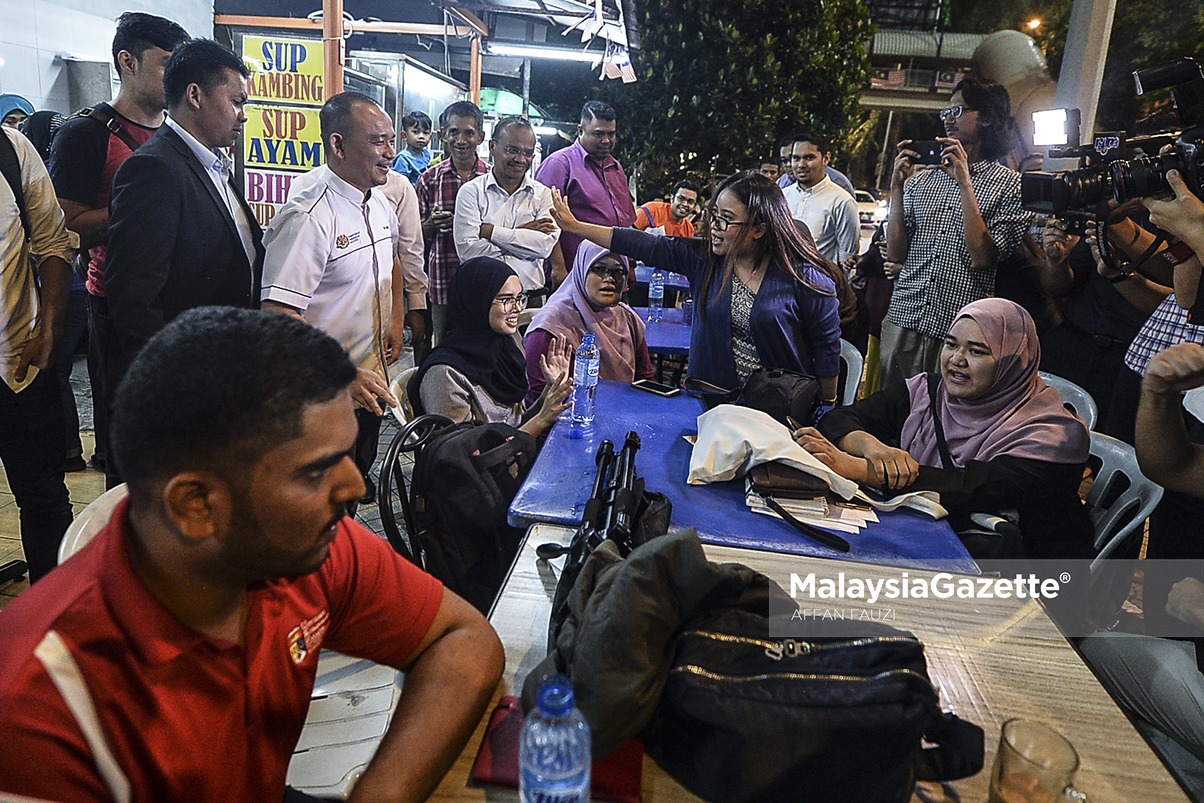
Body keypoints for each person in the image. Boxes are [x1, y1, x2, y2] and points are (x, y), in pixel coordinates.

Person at [0, 307, 504, 800]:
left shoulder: (300, 546)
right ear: (195, 505)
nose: (354, 487)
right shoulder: (40, 710)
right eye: (314, 471)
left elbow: (463, 640)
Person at [795, 298, 1093, 559]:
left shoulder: (1052, 436)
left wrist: (859, 469)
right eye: (951, 345)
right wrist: (874, 449)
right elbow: (840, 418)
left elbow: (968, 487)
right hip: (934, 541)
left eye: (976, 352)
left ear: (1012, 364)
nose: (956, 360)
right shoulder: (928, 392)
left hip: (1027, 577)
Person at [105, 38, 263, 485]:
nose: (243, 114)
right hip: (183, 386)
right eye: (236, 101)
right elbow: (134, 294)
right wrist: (171, 388)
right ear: (195, 95)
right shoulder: (154, 169)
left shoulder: (214, 165)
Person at [551, 170, 845, 403]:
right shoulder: (703, 260)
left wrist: (825, 407)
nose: (714, 226)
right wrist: (577, 227)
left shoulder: (805, 279)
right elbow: (641, 244)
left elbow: (826, 349)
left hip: (778, 410)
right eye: (714, 214)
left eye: (726, 220)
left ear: (759, 228)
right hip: (710, 401)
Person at [50, 11, 190, 474]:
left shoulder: (178, 134)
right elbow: (64, 228)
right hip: (117, 306)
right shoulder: (84, 134)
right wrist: (140, 207)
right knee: (128, 441)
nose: (178, 76)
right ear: (127, 62)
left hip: (179, 300)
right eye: (167, 63)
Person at [260, 92, 405, 502]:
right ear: (337, 145)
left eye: (391, 140)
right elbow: (277, 313)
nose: (390, 152)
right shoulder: (309, 216)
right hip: (322, 396)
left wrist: (395, 322)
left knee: (351, 495)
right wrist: (342, 371)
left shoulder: (379, 205)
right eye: (378, 141)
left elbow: (391, 262)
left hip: (368, 390)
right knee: (316, 505)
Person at [882, 75, 1029, 386]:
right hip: (905, 316)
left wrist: (965, 183)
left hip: (959, 331)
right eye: (945, 113)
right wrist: (896, 185)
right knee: (890, 413)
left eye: (958, 111)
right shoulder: (922, 180)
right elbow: (896, 253)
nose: (948, 119)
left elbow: (983, 259)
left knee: (946, 420)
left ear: (988, 117)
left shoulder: (1012, 186)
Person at [0, 124, 74, 582]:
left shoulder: (11, 148)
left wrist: (50, 327)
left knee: (44, 495)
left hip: (18, 360)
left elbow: (52, 240)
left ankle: (57, 611)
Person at [409, 256, 570, 438]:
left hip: (514, 457)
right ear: (477, 301)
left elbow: (515, 424)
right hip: (484, 465)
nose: (517, 308)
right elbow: (464, 457)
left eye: (519, 298)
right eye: (506, 300)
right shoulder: (444, 374)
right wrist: (541, 420)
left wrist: (551, 392)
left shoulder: (505, 346)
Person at [523, 240, 654, 405]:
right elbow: (540, 404)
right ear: (582, 269)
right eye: (599, 269)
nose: (609, 278)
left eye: (618, 271)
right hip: (565, 422)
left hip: (623, 415)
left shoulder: (628, 318)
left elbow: (646, 379)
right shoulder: (550, 328)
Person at [453, 116, 558, 295]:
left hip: (531, 297)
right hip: (482, 298)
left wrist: (491, 232)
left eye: (528, 153)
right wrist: (522, 233)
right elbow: (469, 252)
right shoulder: (471, 192)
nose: (520, 159)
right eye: (513, 150)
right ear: (493, 146)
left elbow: (544, 247)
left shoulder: (544, 195)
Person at [535, 100, 637, 286]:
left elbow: (624, 222)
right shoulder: (559, 164)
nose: (606, 140)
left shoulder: (616, 168)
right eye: (598, 134)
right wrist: (558, 268)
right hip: (575, 274)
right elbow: (547, 223)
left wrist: (629, 265)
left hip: (613, 275)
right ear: (580, 130)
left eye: (611, 134)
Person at [416, 101, 488, 345]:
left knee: (483, 343)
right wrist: (433, 224)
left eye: (469, 132)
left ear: (481, 136)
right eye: (454, 132)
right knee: (444, 344)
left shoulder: (492, 179)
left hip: (483, 281)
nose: (461, 140)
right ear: (442, 135)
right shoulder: (429, 179)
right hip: (443, 278)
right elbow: (416, 235)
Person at [781, 130, 859, 265]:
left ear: (826, 158)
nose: (801, 165)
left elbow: (847, 258)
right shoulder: (782, 196)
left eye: (809, 158)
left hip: (819, 283)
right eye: (796, 158)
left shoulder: (842, 201)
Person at [634, 179, 701, 237]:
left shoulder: (688, 229)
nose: (685, 204)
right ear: (672, 198)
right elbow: (627, 235)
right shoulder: (649, 211)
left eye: (690, 202)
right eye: (681, 198)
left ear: (694, 206)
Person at [392, 109, 433, 187]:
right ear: (404, 135)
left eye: (425, 133)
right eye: (415, 132)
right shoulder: (403, 158)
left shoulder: (426, 154)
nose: (421, 136)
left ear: (430, 137)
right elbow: (398, 184)